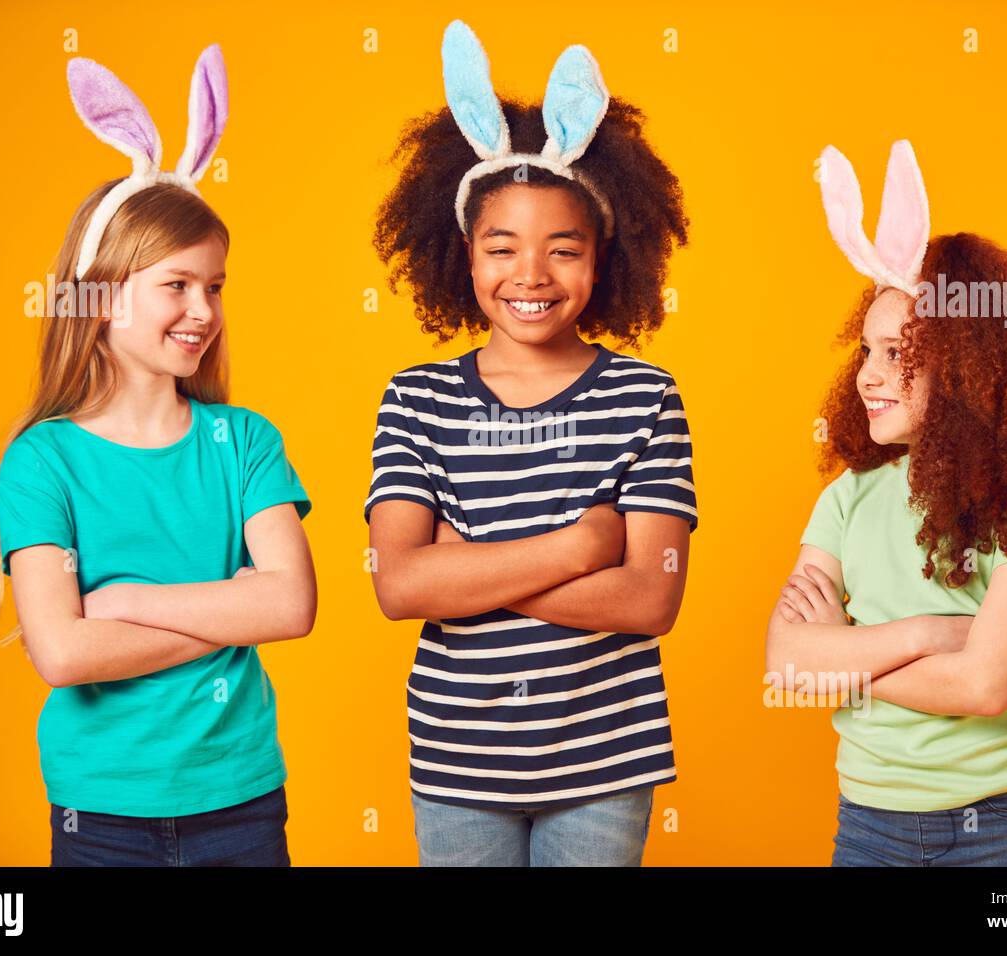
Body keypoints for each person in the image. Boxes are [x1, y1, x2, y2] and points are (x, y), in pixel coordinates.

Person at [364, 20, 696, 866]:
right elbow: (400, 585)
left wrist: (468, 568)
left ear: (603, 258)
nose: (532, 275)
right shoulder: (417, 398)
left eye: (564, 249)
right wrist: (581, 546)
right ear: (463, 255)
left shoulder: (646, 398)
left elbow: (649, 600)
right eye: (501, 247)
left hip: (605, 766)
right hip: (455, 764)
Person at [0, 45, 316, 866]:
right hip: (98, 814)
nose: (203, 309)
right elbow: (61, 653)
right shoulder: (41, 462)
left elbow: (291, 609)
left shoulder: (244, 443)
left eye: (215, 285)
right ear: (100, 296)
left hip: (240, 800)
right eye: (177, 284)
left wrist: (124, 600)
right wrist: (230, 608)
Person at [766, 140, 1007, 866]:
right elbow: (785, 664)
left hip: (999, 828)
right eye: (867, 351)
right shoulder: (845, 498)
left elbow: (988, 685)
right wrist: (933, 633)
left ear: (967, 366)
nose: (870, 376)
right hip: (867, 825)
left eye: (899, 354)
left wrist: (841, 656)